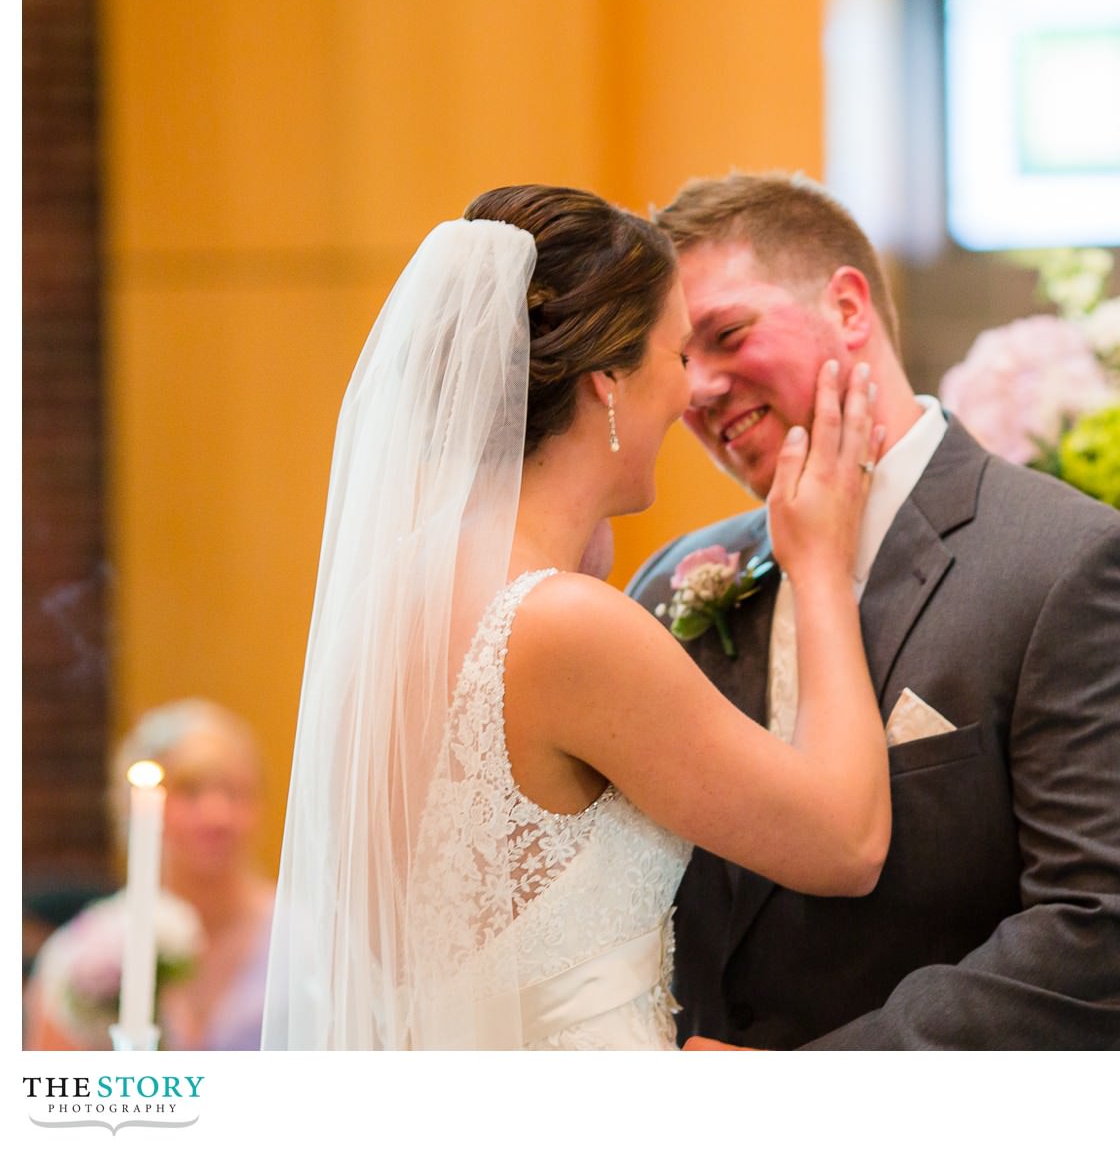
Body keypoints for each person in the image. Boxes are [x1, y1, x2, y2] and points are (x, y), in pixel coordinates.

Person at [262, 184, 888, 1049]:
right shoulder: (562, 626)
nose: (691, 390)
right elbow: (846, 841)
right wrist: (818, 564)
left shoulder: (389, 606)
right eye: (675, 355)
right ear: (605, 387)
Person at [628, 171, 1120, 1049]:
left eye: (729, 334)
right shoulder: (678, 581)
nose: (699, 390)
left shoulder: (1070, 565)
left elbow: (1112, 927)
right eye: (681, 360)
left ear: (849, 307)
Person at [26, 699, 274, 1050]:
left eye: (234, 793)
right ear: (136, 805)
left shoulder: (309, 942)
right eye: (191, 790)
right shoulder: (83, 954)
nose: (217, 815)